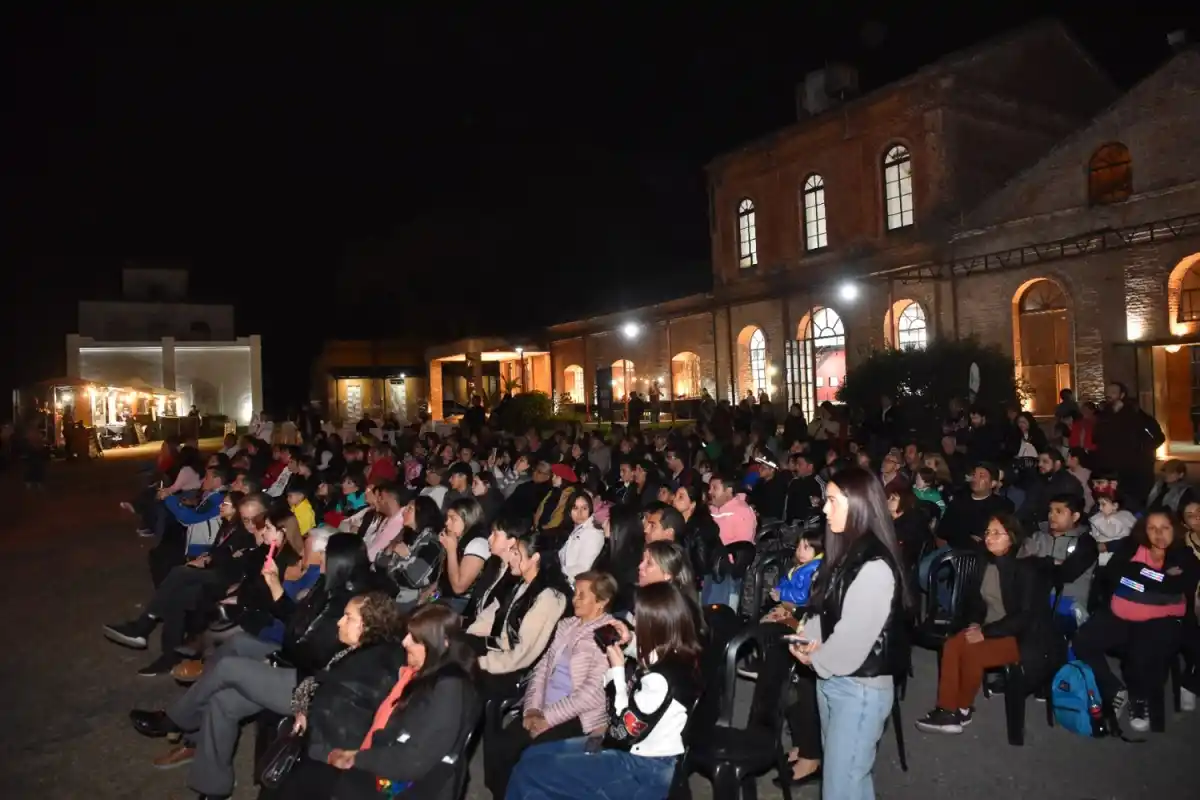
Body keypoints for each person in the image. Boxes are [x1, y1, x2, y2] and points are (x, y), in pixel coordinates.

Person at [505, 582, 701, 800]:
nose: (633, 621)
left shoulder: (659, 681)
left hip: (642, 769)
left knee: (531, 771)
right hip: (635, 752)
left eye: (637, 618)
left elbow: (620, 731)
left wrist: (617, 670)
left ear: (653, 624)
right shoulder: (678, 654)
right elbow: (652, 659)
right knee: (533, 756)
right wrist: (628, 642)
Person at [788, 466, 911, 800]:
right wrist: (805, 639)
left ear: (858, 504)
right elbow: (822, 608)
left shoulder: (874, 567)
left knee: (841, 786)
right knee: (849, 780)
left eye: (831, 501)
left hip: (860, 688)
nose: (824, 509)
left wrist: (815, 657)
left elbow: (851, 643)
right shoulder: (845, 553)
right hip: (836, 680)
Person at [278, 603, 479, 799]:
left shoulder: (450, 689)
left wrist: (355, 758)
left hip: (404, 786)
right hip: (387, 765)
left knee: (304, 778)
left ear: (441, 644)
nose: (405, 642)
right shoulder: (427, 673)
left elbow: (414, 761)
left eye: (415, 639)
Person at [915, 513, 1061, 734]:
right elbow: (976, 602)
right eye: (987, 533)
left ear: (1011, 538)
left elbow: (1025, 616)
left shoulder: (1026, 568)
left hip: (1023, 638)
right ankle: (954, 711)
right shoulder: (984, 561)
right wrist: (975, 623)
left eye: (996, 533)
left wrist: (985, 632)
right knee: (955, 644)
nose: (989, 538)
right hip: (993, 629)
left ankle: (955, 709)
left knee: (968, 650)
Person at [483, 571, 619, 797]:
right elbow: (543, 668)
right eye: (576, 592)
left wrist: (548, 717)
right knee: (504, 747)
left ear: (601, 602)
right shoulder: (567, 625)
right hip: (544, 707)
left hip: (579, 716)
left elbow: (591, 694)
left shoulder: (608, 635)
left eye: (582, 595)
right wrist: (533, 708)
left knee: (534, 757)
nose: (574, 598)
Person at [1073, 510, 1194, 734]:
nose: (1158, 533)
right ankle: (1115, 689)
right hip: (1119, 613)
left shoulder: (1184, 555)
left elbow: (1177, 586)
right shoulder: (1132, 547)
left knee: (1141, 655)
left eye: (1164, 527)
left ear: (1174, 529)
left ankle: (1139, 700)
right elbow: (1112, 574)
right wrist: (1155, 580)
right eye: (1152, 528)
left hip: (1160, 620)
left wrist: (1139, 576)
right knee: (1083, 641)